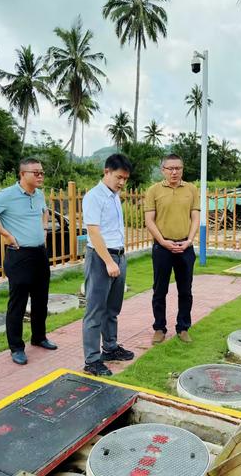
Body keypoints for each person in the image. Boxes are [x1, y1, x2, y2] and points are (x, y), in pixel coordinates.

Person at [0, 158, 56, 365]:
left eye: (42, 172)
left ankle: (39, 337)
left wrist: (44, 230)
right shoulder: (8, 195)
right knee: (18, 303)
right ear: (22, 174)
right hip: (19, 255)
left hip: (39, 254)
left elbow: (44, 211)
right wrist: (5, 233)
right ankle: (16, 347)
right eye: (35, 173)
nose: (40, 176)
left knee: (41, 300)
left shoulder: (38, 194)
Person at [82, 154, 135, 376]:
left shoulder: (115, 195)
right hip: (101, 258)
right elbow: (93, 232)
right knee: (95, 310)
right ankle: (92, 360)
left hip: (118, 255)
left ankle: (110, 348)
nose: (122, 182)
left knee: (112, 308)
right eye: (118, 177)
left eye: (125, 179)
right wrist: (108, 262)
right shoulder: (94, 196)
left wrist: (118, 259)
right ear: (106, 172)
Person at [144, 154, 200, 344]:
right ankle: (159, 327)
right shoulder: (153, 191)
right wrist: (162, 241)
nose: (174, 172)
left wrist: (190, 240)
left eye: (178, 168)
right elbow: (149, 220)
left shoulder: (191, 189)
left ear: (182, 169)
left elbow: (195, 217)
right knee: (159, 290)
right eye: (170, 168)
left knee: (186, 290)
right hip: (162, 248)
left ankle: (183, 327)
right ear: (163, 170)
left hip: (185, 246)